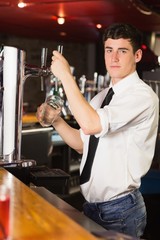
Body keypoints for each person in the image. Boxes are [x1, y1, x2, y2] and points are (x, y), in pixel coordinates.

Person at [36, 23, 159, 238]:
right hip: (91, 207)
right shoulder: (101, 97)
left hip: (120, 210)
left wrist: (66, 77)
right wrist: (56, 121)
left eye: (122, 51)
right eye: (109, 50)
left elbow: (92, 125)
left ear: (137, 55)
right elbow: (83, 144)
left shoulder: (142, 96)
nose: (114, 58)